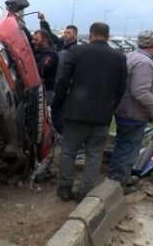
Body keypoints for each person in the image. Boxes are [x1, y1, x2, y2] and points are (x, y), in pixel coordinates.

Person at [53, 22, 127, 201]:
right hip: (102, 115)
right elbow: (121, 88)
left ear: (91, 34)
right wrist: (110, 108)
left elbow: (62, 81)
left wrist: (58, 103)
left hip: (75, 112)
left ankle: (65, 188)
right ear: (108, 36)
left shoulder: (77, 52)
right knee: (94, 154)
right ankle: (84, 191)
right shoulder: (119, 57)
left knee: (68, 151)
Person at [107, 31, 153, 193]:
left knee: (122, 145)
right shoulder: (145, 63)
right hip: (134, 113)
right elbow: (140, 92)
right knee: (129, 149)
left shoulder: (130, 56)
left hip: (123, 109)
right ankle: (119, 184)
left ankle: (115, 178)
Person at [32, 29, 59, 102]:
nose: (33, 42)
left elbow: (40, 69)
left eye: (36, 39)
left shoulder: (51, 55)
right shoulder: (39, 52)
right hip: (38, 89)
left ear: (45, 40)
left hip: (46, 91)